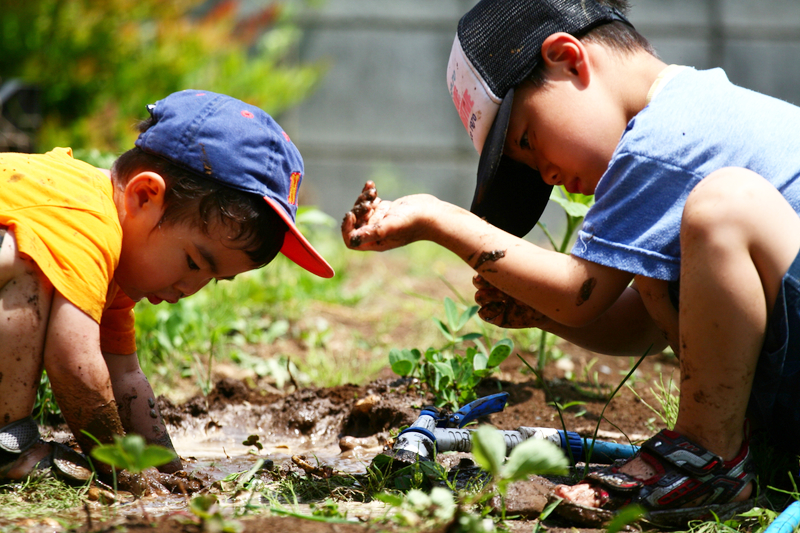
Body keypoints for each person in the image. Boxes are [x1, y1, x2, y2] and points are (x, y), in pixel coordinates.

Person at [341, 0, 800, 526]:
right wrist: (543, 315)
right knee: (660, 275)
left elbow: (577, 293)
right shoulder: (675, 134)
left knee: (726, 203)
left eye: (530, 142)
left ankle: (706, 454)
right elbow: (650, 328)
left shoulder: (663, 135)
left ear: (569, 59)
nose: (548, 175)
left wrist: (434, 218)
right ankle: (720, 457)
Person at [0, 90, 334, 494]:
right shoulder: (84, 217)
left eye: (211, 279)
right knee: (21, 256)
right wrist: (128, 473)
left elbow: (123, 374)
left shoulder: (111, 271)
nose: (189, 289)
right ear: (143, 195)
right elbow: (75, 362)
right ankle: (9, 448)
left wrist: (171, 470)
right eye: (194, 262)